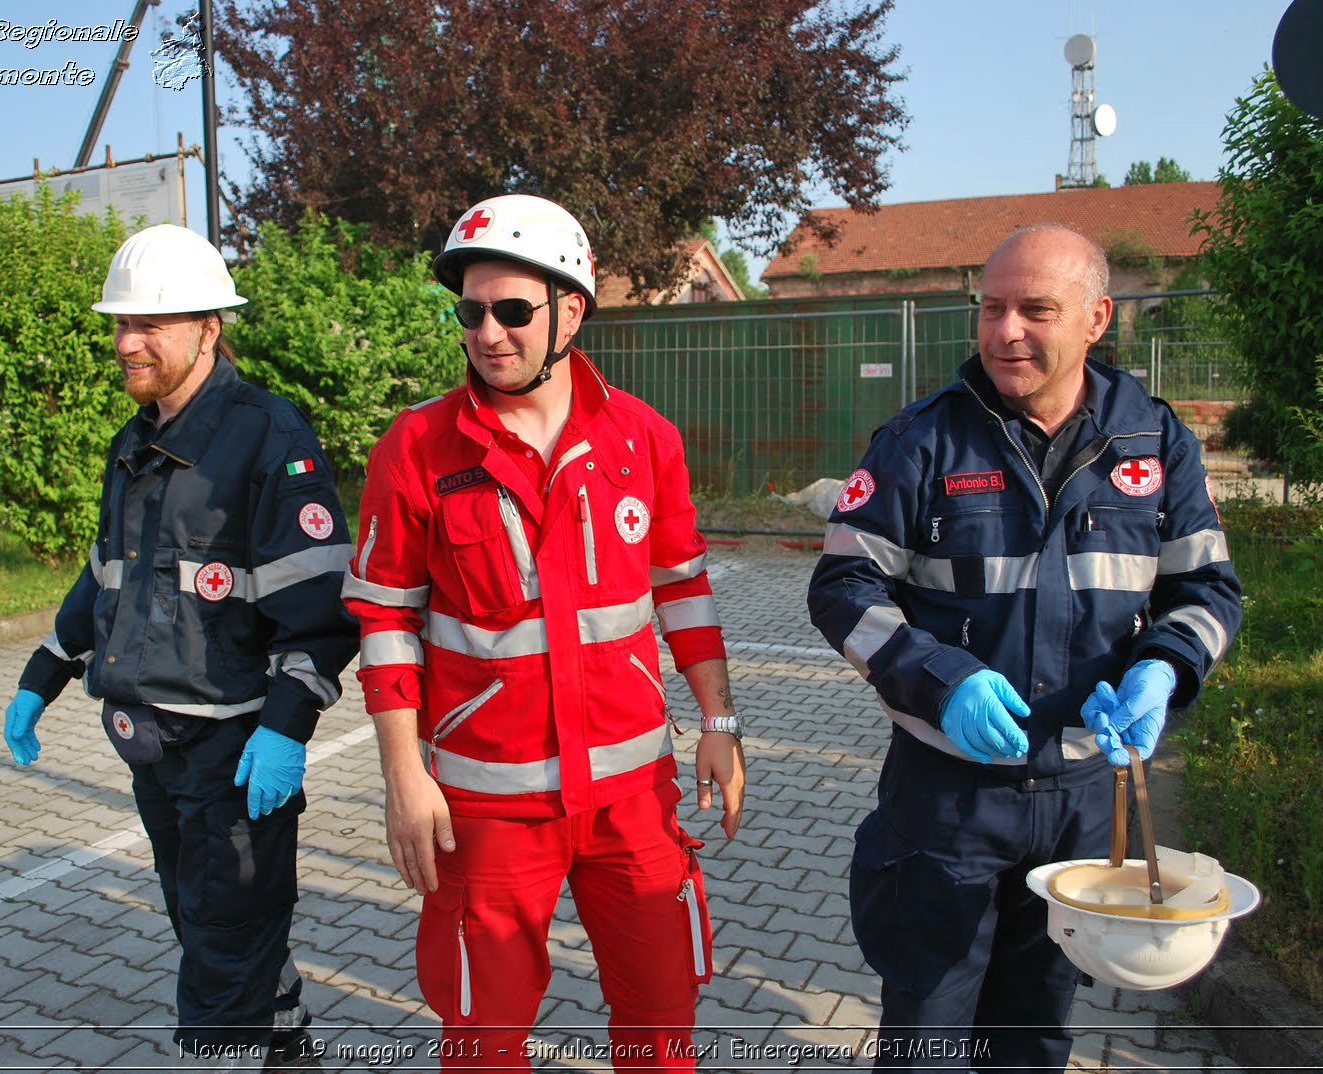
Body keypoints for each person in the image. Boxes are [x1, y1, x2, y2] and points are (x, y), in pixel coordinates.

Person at [806, 224, 1242, 1070]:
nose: (1006, 330)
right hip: (948, 801)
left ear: (1096, 318)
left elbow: (1208, 589)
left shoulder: (1154, 443)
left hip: (1085, 799)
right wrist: (944, 681)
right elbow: (843, 587)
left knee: (1034, 1035)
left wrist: (1165, 666)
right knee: (925, 1038)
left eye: (1035, 310)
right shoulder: (920, 442)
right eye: (992, 308)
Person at [342, 194, 745, 1070]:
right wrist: (403, 776)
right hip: (487, 810)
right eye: (471, 311)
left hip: (634, 799)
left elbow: (682, 588)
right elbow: (384, 620)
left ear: (572, 311)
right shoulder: (416, 448)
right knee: (483, 1042)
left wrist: (718, 723)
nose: (488, 332)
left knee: (662, 1025)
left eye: (513, 310)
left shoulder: (645, 441)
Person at [0, 224, 357, 1071]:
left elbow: (319, 610)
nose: (128, 342)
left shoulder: (269, 438)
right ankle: (288, 1049)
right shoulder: (135, 442)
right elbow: (106, 578)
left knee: (223, 954)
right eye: (121, 323)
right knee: (209, 930)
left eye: (151, 323)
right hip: (151, 750)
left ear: (209, 328)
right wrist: (43, 671)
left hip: (231, 757)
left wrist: (286, 727)